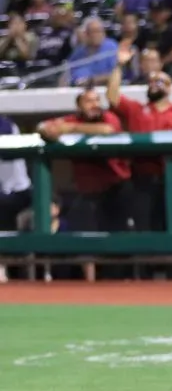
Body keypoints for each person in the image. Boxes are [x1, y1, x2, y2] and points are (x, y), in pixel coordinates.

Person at [37, 87, 132, 282]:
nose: (95, 105)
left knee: (117, 237)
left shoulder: (107, 117)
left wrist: (70, 129)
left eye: (97, 100)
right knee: (84, 234)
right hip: (88, 191)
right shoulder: (74, 119)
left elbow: (108, 130)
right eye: (89, 101)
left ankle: (121, 282)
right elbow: (42, 127)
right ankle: (90, 282)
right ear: (79, 106)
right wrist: (51, 131)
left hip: (117, 187)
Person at [106, 50, 172, 237]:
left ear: (169, 87)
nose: (154, 84)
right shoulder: (137, 110)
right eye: (151, 81)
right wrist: (119, 66)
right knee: (145, 228)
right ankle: (147, 266)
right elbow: (112, 96)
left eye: (160, 81)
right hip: (142, 180)